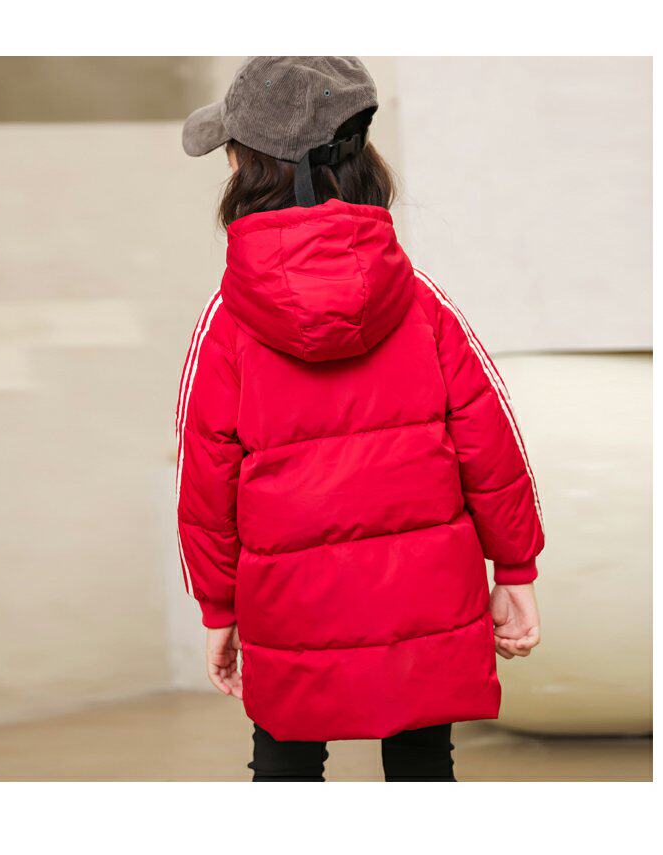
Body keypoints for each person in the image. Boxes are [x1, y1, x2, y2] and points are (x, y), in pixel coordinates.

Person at [175, 57, 543, 782]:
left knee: (285, 763)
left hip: (289, 600)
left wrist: (219, 606)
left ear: (244, 167)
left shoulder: (227, 320)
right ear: (362, 160)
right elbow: (491, 438)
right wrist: (516, 566)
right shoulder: (420, 300)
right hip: (425, 589)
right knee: (422, 763)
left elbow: (205, 479)